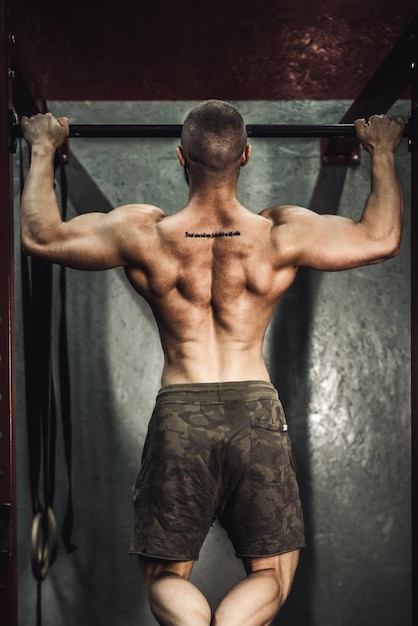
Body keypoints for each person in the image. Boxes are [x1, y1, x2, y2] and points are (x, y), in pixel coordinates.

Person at [20, 101, 404, 626]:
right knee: (271, 574)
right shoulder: (278, 234)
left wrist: (42, 148)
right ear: (246, 155)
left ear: (181, 157)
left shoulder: (145, 234)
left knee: (166, 579)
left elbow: (41, 236)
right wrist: (381, 151)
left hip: (181, 413)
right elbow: (380, 237)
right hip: (255, 412)